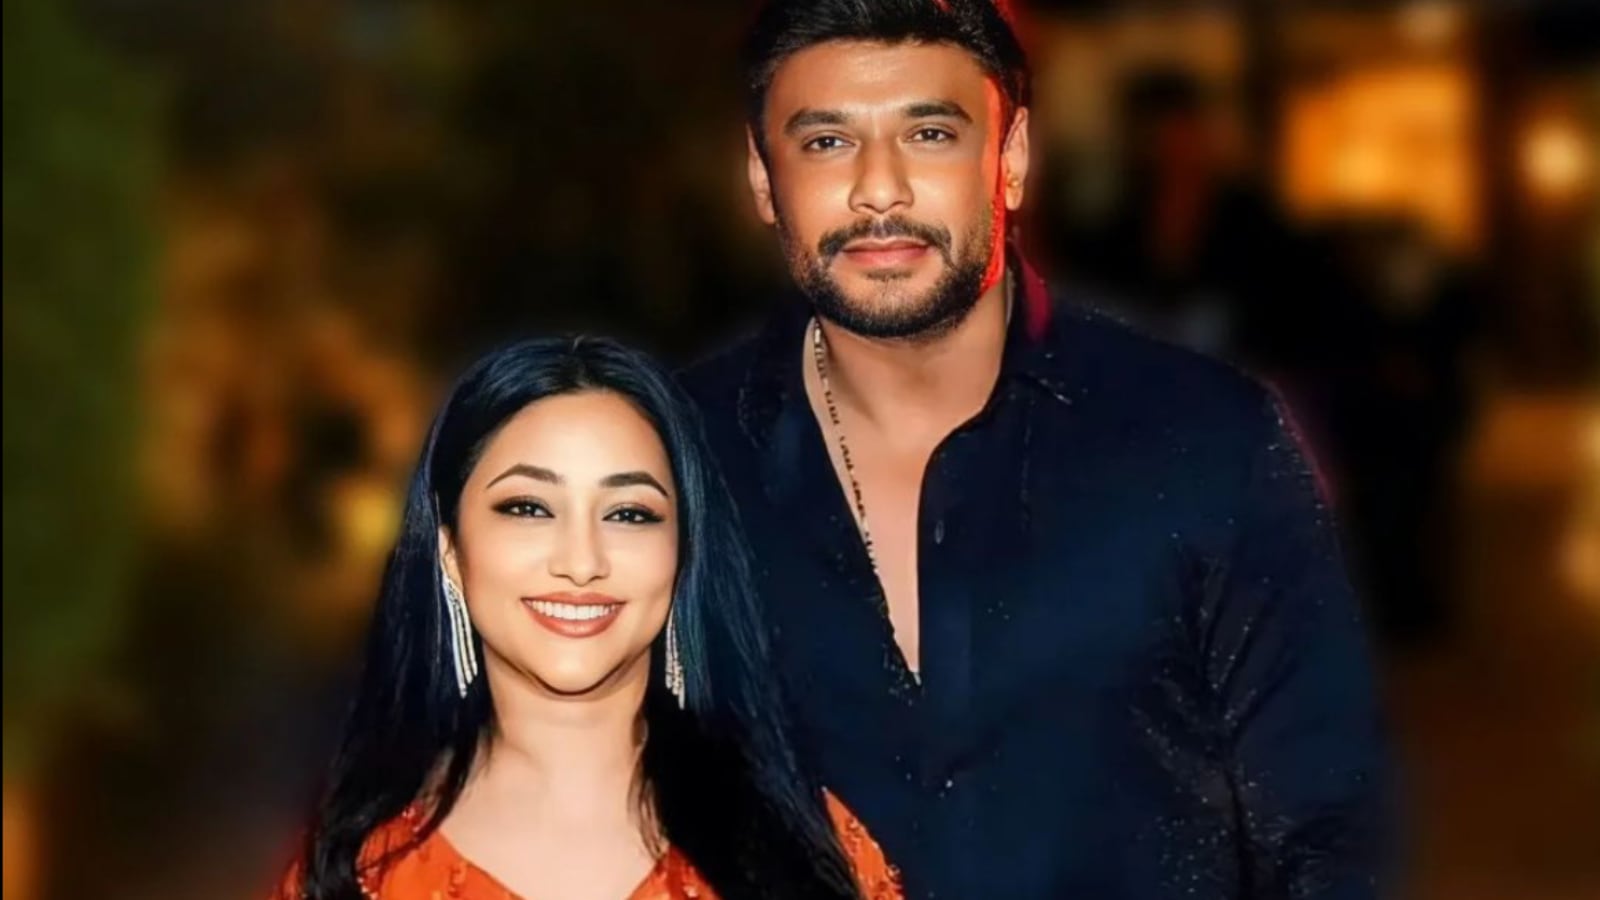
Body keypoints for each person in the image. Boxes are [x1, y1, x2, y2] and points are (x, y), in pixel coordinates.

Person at [680, 1, 1394, 897]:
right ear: (761, 176)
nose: (880, 189)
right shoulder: (674, 458)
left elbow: (1325, 828)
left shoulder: (1209, 440)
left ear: (1010, 159)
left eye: (930, 134)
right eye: (827, 142)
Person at [272, 337, 901, 899]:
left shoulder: (809, 852)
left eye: (628, 514)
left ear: (684, 553)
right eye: (528, 507)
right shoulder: (354, 871)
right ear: (451, 553)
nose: (581, 562)